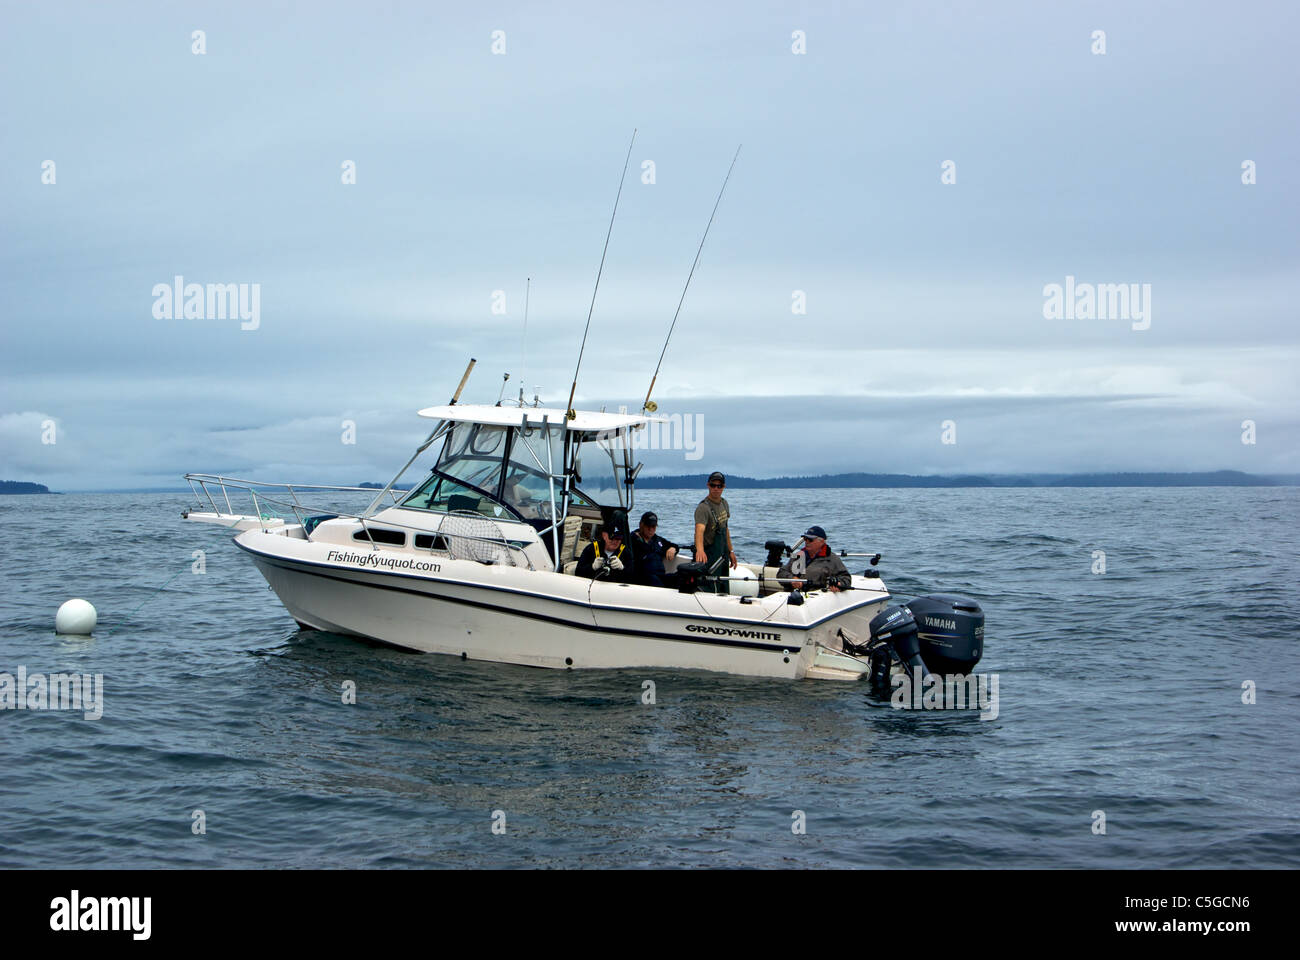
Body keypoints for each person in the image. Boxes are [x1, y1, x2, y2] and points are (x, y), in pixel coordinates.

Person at [693, 471, 736, 592]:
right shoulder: (703, 508)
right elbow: (699, 531)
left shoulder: (724, 503)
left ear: (724, 487)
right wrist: (700, 551)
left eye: (719, 486)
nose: (716, 489)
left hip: (722, 554)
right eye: (713, 485)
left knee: (723, 584)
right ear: (708, 485)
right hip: (709, 554)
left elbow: (725, 529)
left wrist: (731, 551)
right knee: (710, 585)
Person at [778, 525, 850, 593]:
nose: (807, 542)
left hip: (816, 598)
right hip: (792, 596)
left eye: (810, 540)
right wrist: (792, 579)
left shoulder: (832, 559)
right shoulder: (798, 556)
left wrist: (838, 584)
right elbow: (781, 573)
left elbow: (846, 578)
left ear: (821, 541)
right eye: (805, 539)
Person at [630, 511, 678, 587]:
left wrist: (673, 548)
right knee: (653, 579)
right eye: (648, 526)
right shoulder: (632, 540)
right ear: (641, 525)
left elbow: (673, 545)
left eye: (653, 526)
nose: (651, 529)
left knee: (681, 577)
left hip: (661, 576)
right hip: (644, 578)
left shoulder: (657, 540)